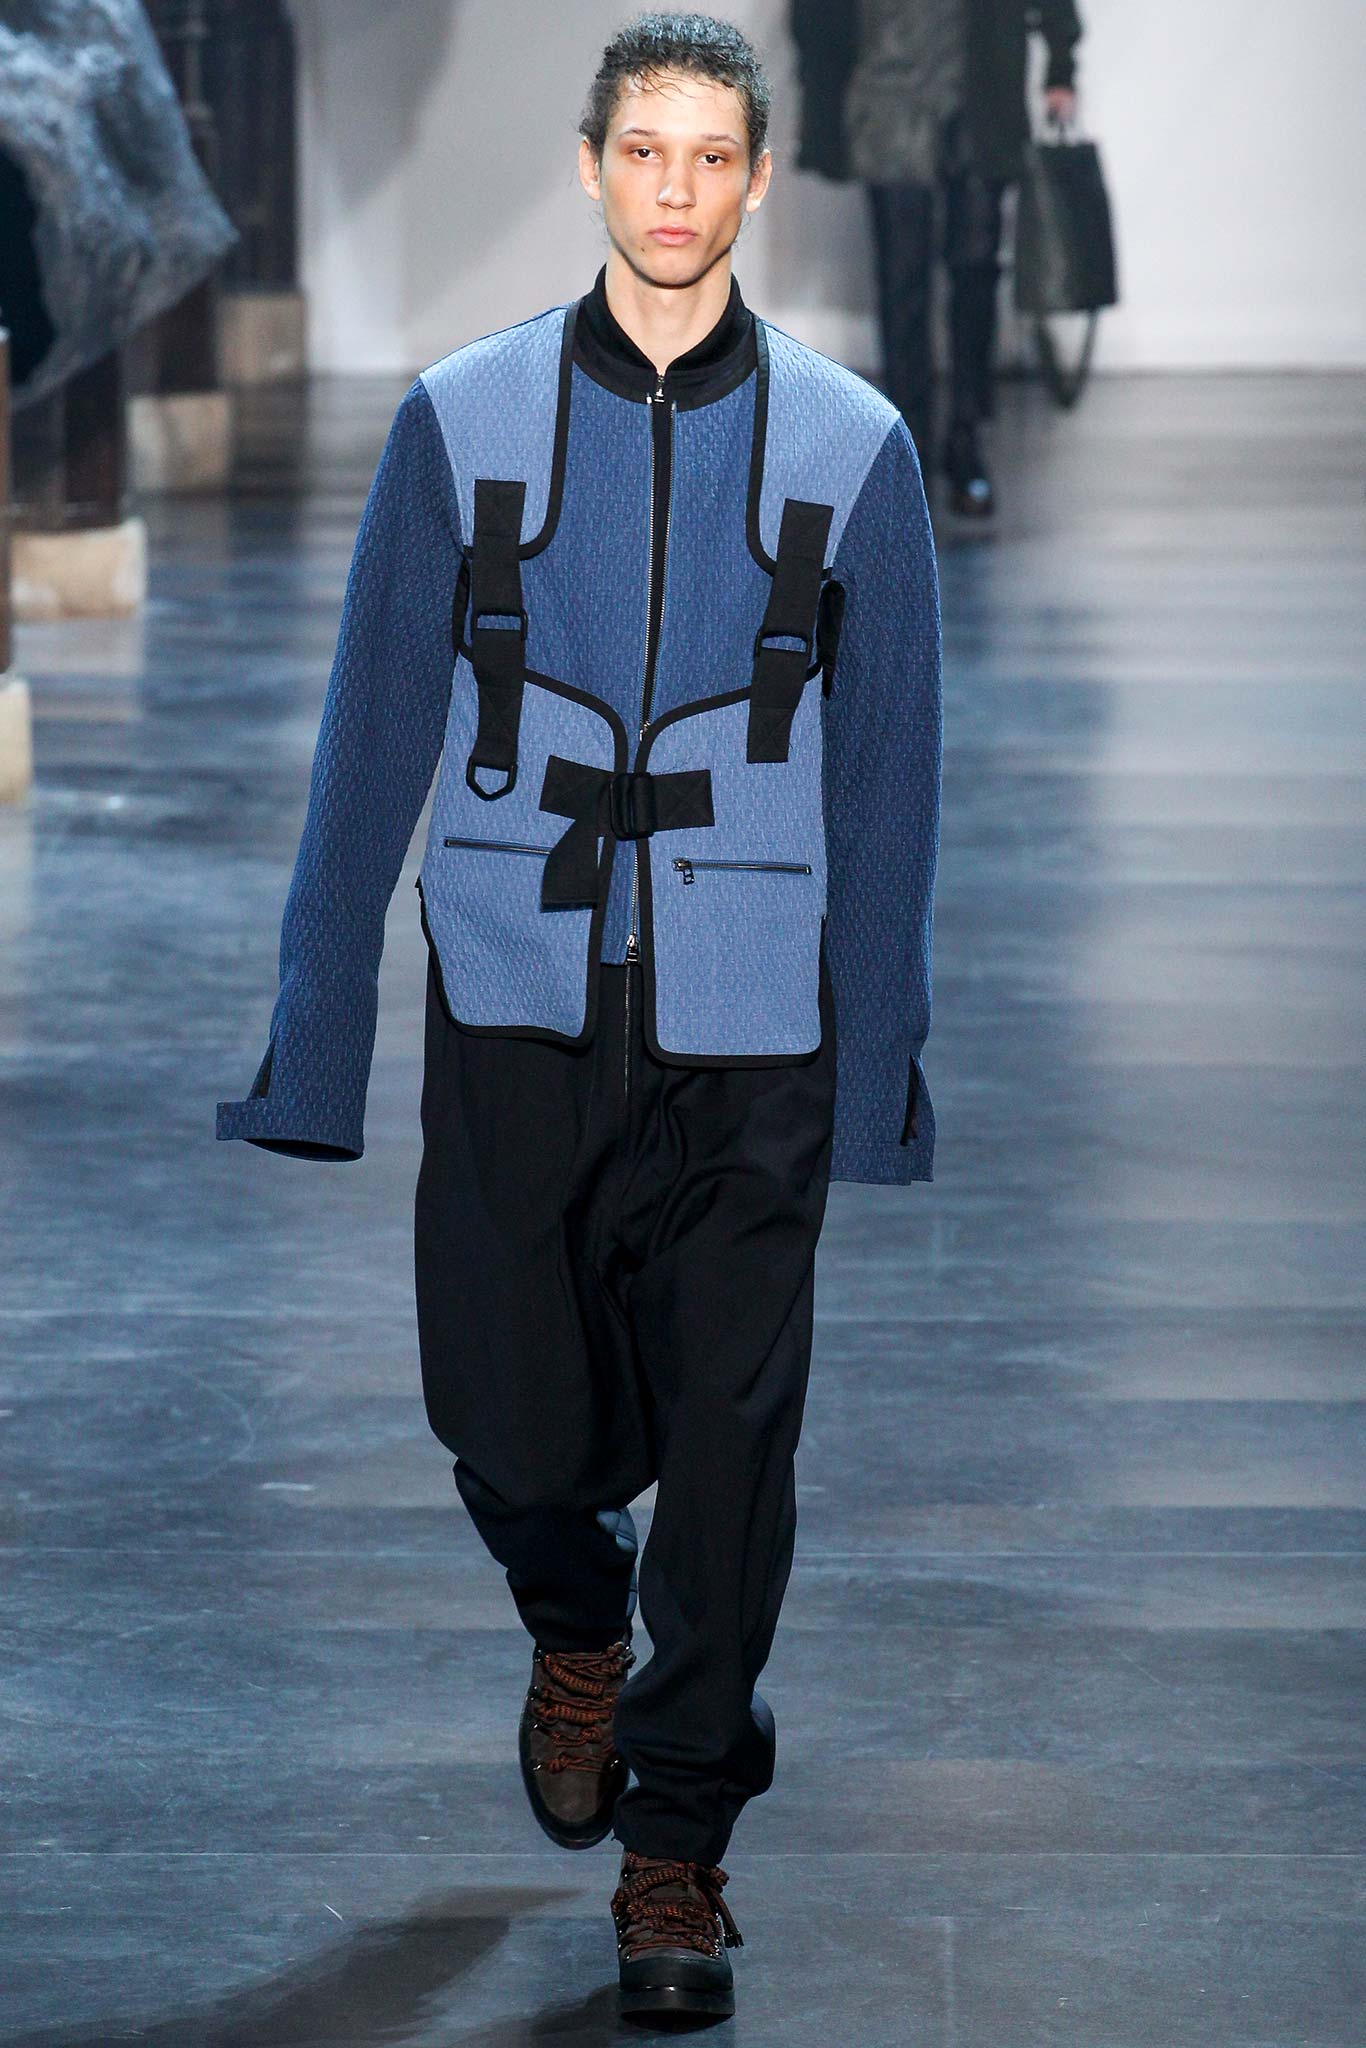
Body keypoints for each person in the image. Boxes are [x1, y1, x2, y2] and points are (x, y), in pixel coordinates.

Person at [215, 10, 941, 2022]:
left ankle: (676, 1849)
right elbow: (368, 738)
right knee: (506, 1420)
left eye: (712, 156)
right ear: (590, 165)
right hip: (520, 986)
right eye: (644, 151)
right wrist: (312, 1039)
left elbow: (890, 787)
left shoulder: (852, 447)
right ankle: (571, 1620)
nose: (676, 190)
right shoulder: (460, 420)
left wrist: (875, 1068)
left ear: (757, 180)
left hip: (753, 1016)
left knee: (730, 1445)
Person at [792, 0, 1082, 516]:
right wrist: (821, 89)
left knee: (975, 271)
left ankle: (967, 438)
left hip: (979, 90)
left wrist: (1061, 63)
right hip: (890, 85)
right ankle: (911, 448)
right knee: (903, 280)